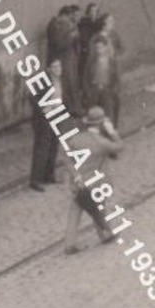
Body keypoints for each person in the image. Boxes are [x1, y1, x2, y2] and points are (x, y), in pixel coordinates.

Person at [63, 107, 121, 254]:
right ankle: (105, 234)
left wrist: (76, 175)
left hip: (79, 183)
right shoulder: (101, 142)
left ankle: (70, 244)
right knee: (97, 208)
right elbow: (119, 147)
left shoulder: (75, 139)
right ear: (101, 124)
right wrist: (112, 132)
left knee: (75, 211)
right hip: (97, 183)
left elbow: (67, 159)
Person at [30, 57, 63, 192]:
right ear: (49, 69)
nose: (58, 69)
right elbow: (32, 96)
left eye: (59, 66)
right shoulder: (43, 80)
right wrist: (42, 108)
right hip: (44, 119)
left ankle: (49, 175)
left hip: (57, 115)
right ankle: (35, 180)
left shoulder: (60, 80)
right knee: (42, 149)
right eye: (55, 67)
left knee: (53, 147)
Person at [86, 14, 122, 127]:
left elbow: (121, 48)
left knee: (113, 103)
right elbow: (90, 61)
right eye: (110, 22)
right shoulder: (96, 39)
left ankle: (112, 126)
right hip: (97, 77)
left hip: (110, 74)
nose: (112, 24)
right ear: (103, 24)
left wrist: (116, 56)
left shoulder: (114, 35)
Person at [77, 3, 101, 87]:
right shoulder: (85, 25)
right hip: (87, 52)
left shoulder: (97, 23)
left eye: (95, 11)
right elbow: (84, 40)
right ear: (88, 12)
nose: (94, 13)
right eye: (92, 11)